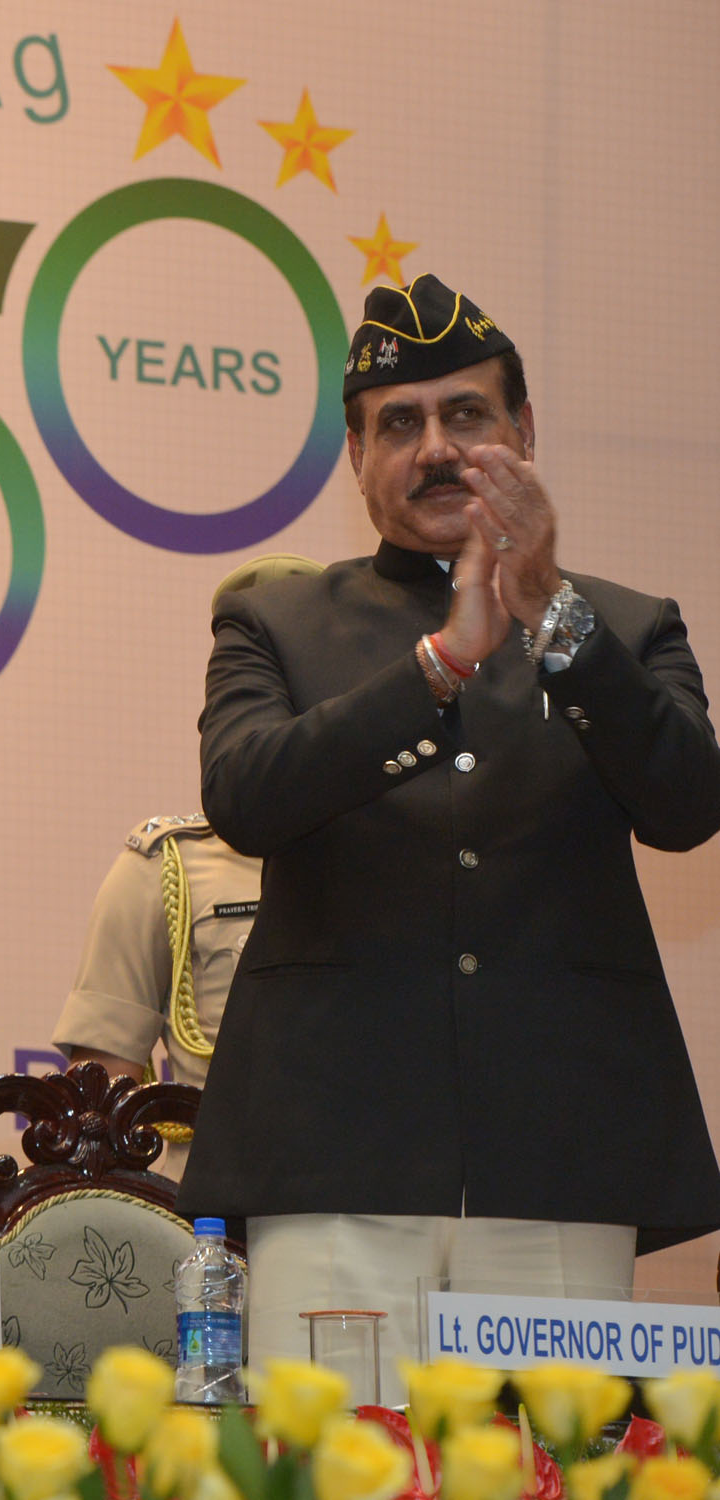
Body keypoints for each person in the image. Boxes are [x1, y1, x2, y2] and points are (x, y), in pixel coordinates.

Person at [180, 274, 720, 1394]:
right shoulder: (273, 617)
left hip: (560, 1164)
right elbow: (245, 795)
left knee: (556, 1467)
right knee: (330, 1471)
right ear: (357, 457)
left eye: (466, 416)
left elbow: (685, 803)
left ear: (523, 434)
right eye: (400, 425)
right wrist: (441, 665)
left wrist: (549, 615)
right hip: (332, 1164)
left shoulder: (621, 625)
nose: (436, 448)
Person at [51, 556, 319, 1179]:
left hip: (382, 1201)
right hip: (209, 1211)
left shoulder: (408, 855)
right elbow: (100, 1104)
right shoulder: (163, 867)